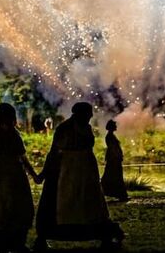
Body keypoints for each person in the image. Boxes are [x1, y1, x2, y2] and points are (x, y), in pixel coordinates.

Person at [34, 102, 124, 251]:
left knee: (90, 203)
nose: (90, 116)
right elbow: (53, 151)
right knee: (65, 203)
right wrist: (45, 173)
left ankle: (103, 235)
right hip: (67, 171)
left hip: (86, 171)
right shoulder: (63, 129)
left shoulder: (86, 128)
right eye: (88, 113)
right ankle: (47, 236)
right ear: (79, 114)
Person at [0, 103, 38, 253]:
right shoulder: (0, 134)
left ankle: (14, 243)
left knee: (18, 209)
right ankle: (8, 243)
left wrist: (33, 174)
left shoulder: (8, 134)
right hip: (8, 177)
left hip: (14, 176)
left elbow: (21, 157)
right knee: (9, 210)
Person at [101, 120, 129, 202]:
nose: (116, 127)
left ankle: (119, 194)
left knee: (112, 175)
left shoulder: (110, 136)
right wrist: (117, 157)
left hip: (113, 159)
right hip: (114, 160)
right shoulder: (110, 136)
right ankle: (121, 195)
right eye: (114, 125)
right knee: (116, 176)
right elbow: (113, 148)